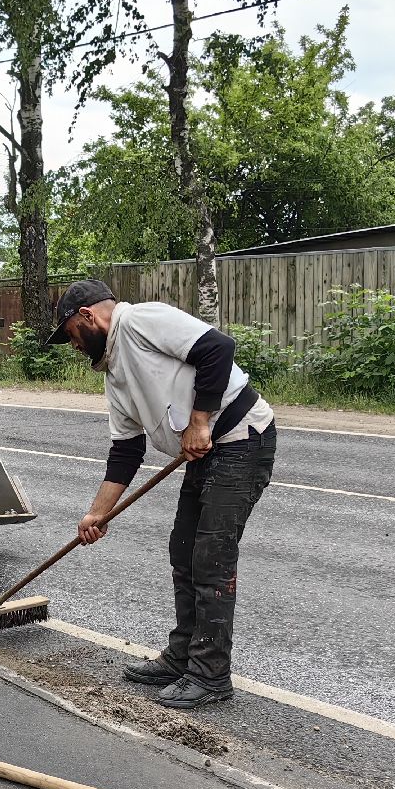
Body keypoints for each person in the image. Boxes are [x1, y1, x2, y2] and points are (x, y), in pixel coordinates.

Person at [46, 279, 278, 710]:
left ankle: (210, 675)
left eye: (70, 335)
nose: (72, 346)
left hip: (241, 439)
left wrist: (200, 420)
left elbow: (218, 349)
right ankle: (182, 657)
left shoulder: (140, 320)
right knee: (184, 550)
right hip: (203, 455)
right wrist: (96, 514)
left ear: (87, 317)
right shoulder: (115, 374)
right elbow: (126, 451)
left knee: (211, 557)